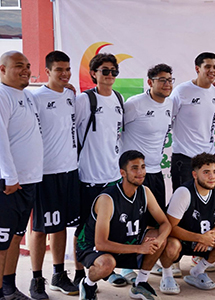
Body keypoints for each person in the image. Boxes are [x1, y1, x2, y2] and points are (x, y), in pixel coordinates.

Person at [76, 150, 172, 300]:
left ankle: (140, 283)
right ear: (123, 173)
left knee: (159, 237)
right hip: (93, 247)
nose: (140, 172)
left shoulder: (145, 192)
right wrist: (140, 248)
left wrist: (159, 241)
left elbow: (165, 223)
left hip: (126, 242)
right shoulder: (108, 199)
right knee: (107, 263)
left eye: (143, 167)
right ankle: (87, 284)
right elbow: (100, 243)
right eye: (134, 168)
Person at [29, 51, 80, 299]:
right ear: (47, 71)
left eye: (67, 69)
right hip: (45, 173)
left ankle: (58, 275)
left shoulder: (71, 95)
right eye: (59, 69)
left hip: (70, 170)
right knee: (40, 228)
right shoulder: (35, 96)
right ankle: (36, 278)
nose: (65, 74)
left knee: (60, 226)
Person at [120, 63, 179, 279]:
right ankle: (125, 265)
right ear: (150, 82)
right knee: (129, 221)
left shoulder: (171, 104)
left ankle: (149, 260)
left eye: (170, 80)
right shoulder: (134, 104)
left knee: (154, 221)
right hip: (134, 175)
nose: (167, 84)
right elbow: (116, 132)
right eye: (162, 80)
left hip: (155, 173)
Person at [74, 53, 125, 286]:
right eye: (105, 71)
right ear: (94, 73)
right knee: (84, 229)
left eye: (114, 71)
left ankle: (109, 269)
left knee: (110, 228)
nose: (110, 75)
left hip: (113, 177)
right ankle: (78, 272)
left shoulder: (118, 98)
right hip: (89, 177)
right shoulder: (85, 100)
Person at [159, 153, 215, 294]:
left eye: (214, 172)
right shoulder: (184, 192)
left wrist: (210, 235)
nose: (212, 177)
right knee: (171, 245)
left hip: (204, 241)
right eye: (206, 172)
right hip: (182, 241)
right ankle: (167, 275)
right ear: (195, 174)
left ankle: (197, 271)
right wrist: (199, 238)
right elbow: (169, 227)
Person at [0, 51, 43, 300]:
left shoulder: (26, 95)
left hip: (27, 181)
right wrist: (9, 175)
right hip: (9, 184)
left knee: (16, 237)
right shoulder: (2, 95)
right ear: (2, 69)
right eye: (19, 66)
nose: (26, 70)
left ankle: (9, 288)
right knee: (2, 243)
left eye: (28, 65)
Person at [169, 52, 215, 192]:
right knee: (182, 202)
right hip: (185, 157)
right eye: (208, 67)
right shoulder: (182, 91)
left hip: (208, 158)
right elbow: (167, 119)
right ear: (197, 69)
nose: (212, 71)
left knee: (206, 203)